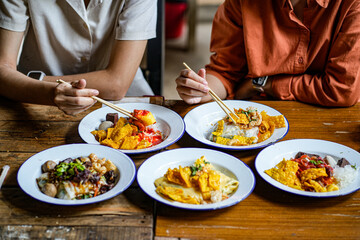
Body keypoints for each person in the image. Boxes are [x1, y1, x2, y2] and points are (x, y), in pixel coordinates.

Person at [176, 0, 360, 107]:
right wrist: (200, 89)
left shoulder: (352, 4)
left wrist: (264, 83)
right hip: (257, 113)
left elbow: (342, 90)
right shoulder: (240, 3)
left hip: (327, 116)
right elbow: (225, 73)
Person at [0, 0, 157, 115]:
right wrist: (48, 92)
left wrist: (33, 82)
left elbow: (116, 84)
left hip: (121, 100)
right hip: (34, 100)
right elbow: (3, 69)